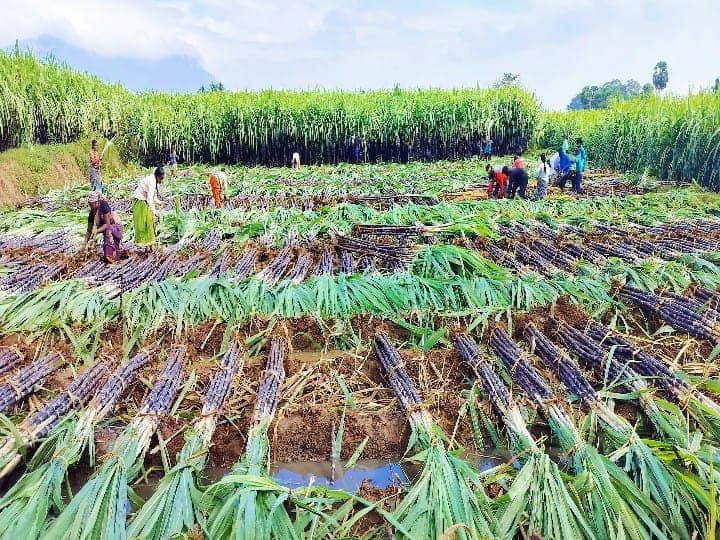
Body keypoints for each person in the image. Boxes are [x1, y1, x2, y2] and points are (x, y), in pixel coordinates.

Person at [84, 191, 124, 263]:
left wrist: (96, 231)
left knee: (108, 231)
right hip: (107, 229)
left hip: (115, 227)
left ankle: (111, 257)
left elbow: (107, 224)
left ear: (97, 202)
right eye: (89, 204)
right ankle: (111, 256)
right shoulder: (92, 213)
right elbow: (89, 230)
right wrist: (84, 243)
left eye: (92, 204)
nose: (90, 206)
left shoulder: (104, 205)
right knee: (107, 233)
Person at [132, 167, 165, 249]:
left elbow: (154, 197)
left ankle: (150, 244)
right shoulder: (152, 182)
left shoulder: (154, 180)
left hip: (144, 200)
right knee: (144, 223)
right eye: (161, 178)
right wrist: (155, 212)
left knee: (149, 221)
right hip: (140, 201)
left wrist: (160, 202)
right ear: (157, 176)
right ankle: (146, 244)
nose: (161, 181)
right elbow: (150, 198)